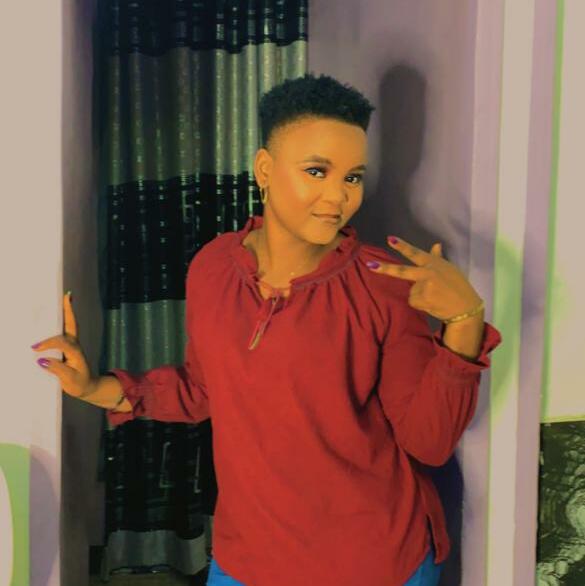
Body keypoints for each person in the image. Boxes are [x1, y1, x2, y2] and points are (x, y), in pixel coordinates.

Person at [32, 73, 502, 586]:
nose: (338, 196)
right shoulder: (213, 268)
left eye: (352, 177)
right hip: (248, 560)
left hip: (372, 562)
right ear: (265, 169)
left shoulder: (382, 284)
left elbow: (429, 443)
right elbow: (202, 388)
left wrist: (464, 322)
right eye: (317, 171)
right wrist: (95, 388)